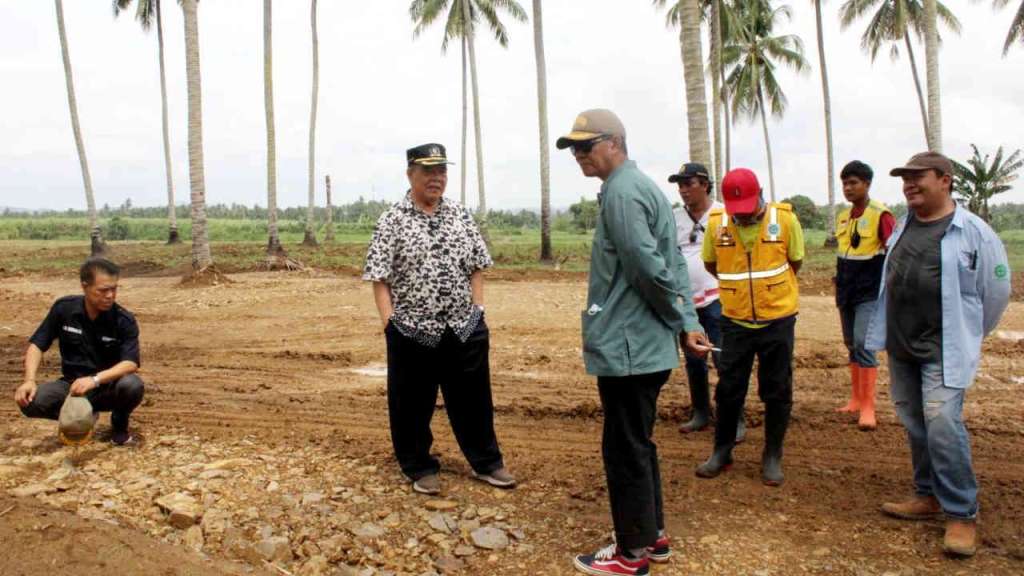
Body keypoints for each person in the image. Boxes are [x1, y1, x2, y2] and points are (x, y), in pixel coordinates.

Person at [557, 109, 710, 576]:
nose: (579, 155)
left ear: (614, 144)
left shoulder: (623, 193)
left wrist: (682, 322)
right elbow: (674, 263)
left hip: (629, 345)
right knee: (638, 442)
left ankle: (631, 555)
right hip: (641, 344)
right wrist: (684, 319)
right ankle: (653, 536)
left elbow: (648, 268)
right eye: (574, 149)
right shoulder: (642, 189)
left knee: (624, 448)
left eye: (586, 146)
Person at [867, 152, 1010, 557]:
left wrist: (970, 333)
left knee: (943, 424)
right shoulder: (903, 224)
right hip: (902, 344)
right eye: (904, 179)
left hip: (943, 349)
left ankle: (962, 513)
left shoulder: (973, 231)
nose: (909, 184)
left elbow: (996, 292)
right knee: (916, 423)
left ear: (945, 180)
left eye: (917, 177)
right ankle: (927, 495)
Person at [362, 143, 514, 496]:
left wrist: (478, 311)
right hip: (413, 330)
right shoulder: (392, 219)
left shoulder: (460, 215)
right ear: (410, 174)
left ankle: (487, 463)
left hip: (464, 327)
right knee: (411, 404)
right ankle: (418, 466)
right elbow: (378, 276)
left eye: (442, 171)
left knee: (474, 401)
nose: (436, 178)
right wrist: (390, 323)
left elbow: (477, 265)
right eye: (428, 171)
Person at [695, 168, 804, 487]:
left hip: (778, 320)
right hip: (735, 320)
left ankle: (772, 455)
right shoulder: (717, 224)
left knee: (777, 389)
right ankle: (722, 451)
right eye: (735, 212)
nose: (741, 218)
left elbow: (794, 262)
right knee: (729, 390)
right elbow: (712, 264)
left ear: (760, 194)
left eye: (747, 211)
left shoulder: (784, 219)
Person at [14, 258, 144, 446]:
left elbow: (130, 363)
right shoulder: (64, 309)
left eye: (114, 289)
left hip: (107, 386)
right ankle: (80, 417)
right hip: (72, 387)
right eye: (103, 290)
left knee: (132, 385)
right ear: (85, 286)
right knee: (31, 401)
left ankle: (119, 423)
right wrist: (29, 381)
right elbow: (37, 345)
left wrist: (95, 380)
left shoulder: (124, 320)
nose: (110, 295)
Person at [670, 162, 747, 443]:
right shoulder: (674, 218)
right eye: (679, 184)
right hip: (686, 301)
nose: (683, 189)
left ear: (705, 184)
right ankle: (701, 412)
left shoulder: (725, 215)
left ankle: (734, 418)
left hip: (718, 297)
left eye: (688, 183)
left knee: (724, 359)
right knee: (694, 358)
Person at [833, 161, 896, 431]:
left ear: (867, 184)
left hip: (869, 292)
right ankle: (856, 399)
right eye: (845, 184)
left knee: (864, 342)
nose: (848, 188)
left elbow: (894, 254)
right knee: (851, 342)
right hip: (846, 289)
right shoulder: (843, 217)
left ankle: (869, 407)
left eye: (853, 183)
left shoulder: (881, 215)